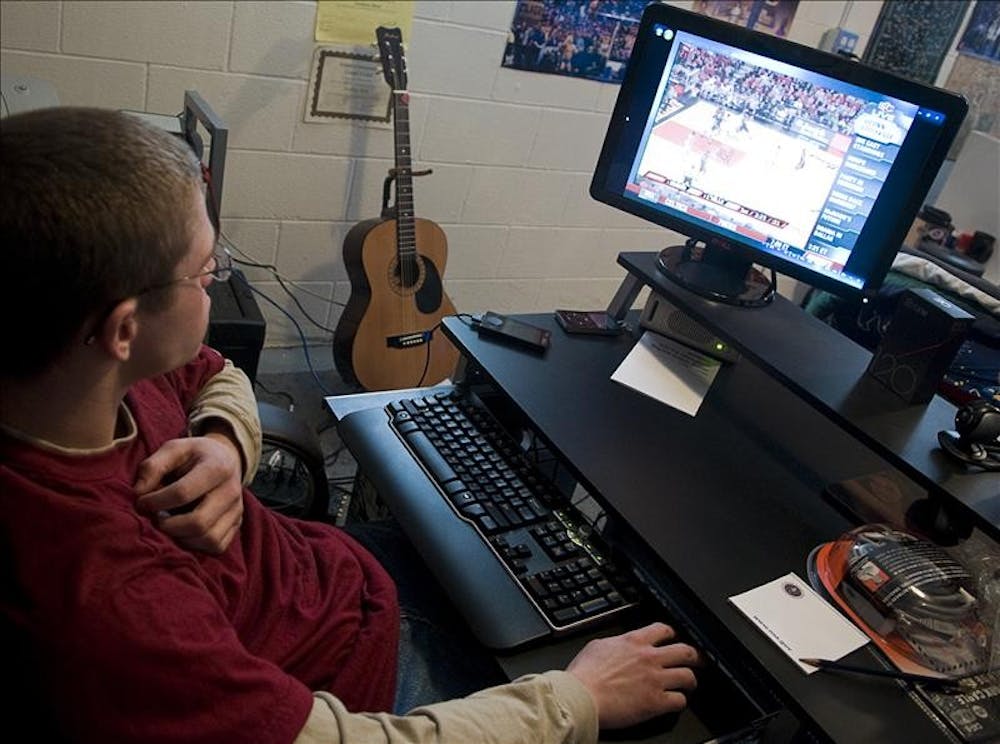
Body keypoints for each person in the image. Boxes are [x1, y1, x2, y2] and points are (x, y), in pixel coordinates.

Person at [0, 107, 701, 743]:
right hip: (344, 687)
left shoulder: (74, 375)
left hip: (322, 583)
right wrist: (578, 698)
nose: (218, 276)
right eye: (206, 270)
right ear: (123, 328)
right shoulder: (114, 611)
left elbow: (213, 373)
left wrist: (224, 443)